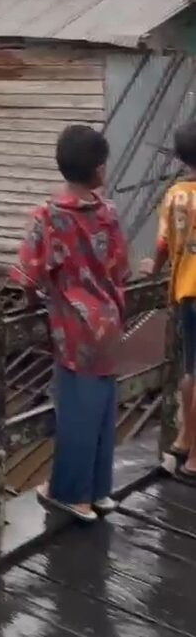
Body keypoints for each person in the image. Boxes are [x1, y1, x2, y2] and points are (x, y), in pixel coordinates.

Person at [10, 123, 129, 523]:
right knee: (102, 408)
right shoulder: (108, 213)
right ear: (97, 170)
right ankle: (98, 491)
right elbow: (121, 269)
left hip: (73, 329)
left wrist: (33, 304)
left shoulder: (49, 216)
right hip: (110, 321)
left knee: (76, 411)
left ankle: (73, 497)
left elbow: (27, 276)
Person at [140, 121, 196, 477]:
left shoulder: (175, 194)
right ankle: (194, 459)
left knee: (191, 370)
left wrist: (154, 265)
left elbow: (163, 244)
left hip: (186, 293)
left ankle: (184, 440)